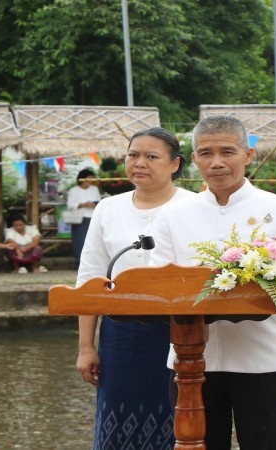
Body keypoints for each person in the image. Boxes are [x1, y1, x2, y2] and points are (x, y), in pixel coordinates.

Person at [149, 116, 276, 450]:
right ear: (194, 159)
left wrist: (258, 289)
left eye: (227, 151)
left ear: (248, 155)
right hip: (190, 361)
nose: (217, 162)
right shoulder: (172, 214)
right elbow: (159, 282)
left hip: (260, 357)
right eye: (206, 153)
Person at [75, 127, 194, 450]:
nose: (139, 162)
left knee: (182, 419)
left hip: (184, 335)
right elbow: (90, 279)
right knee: (117, 421)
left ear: (174, 164)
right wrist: (86, 346)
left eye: (151, 156)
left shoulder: (195, 207)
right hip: (121, 335)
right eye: (133, 155)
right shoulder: (107, 209)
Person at [66, 168, 101, 266]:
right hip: (79, 218)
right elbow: (70, 205)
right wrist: (83, 204)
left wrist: (94, 204)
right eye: (88, 178)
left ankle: (93, 262)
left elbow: (98, 200)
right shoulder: (73, 190)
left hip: (92, 217)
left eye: (91, 179)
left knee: (94, 240)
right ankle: (79, 261)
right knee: (79, 240)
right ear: (82, 179)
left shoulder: (94, 189)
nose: (90, 181)